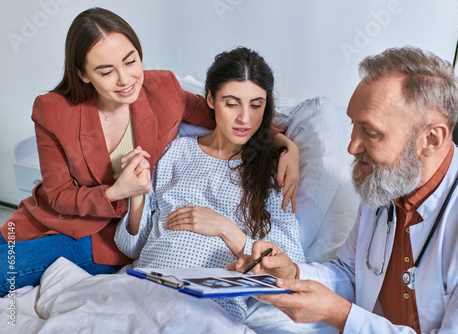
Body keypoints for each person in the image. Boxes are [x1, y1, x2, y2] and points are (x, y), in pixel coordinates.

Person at [0, 8, 300, 295]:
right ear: (83, 74)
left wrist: (285, 145)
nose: (125, 79)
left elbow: (229, 115)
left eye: (131, 61)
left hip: (103, 238)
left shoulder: (163, 90)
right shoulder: (52, 110)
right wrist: (117, 192)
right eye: (106, 71)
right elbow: (56, 194)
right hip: (53, 216)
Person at [230, 46, 458, 333]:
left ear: (431, 139)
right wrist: (292, 273)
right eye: (353, 125)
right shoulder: (386, 183)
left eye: (370, 132)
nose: (352, 147)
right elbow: (351, 274)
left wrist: (341, 316)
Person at [114, 47, 305, 321]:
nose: (244, 118)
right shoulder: (176, 151)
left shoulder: (273, 170)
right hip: (143, 287)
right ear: (211, 100)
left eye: (256, 105)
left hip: (210, 310)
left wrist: (225, 228)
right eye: (231, 103)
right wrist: (137, 196)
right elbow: (132, 247)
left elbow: (290, 264)